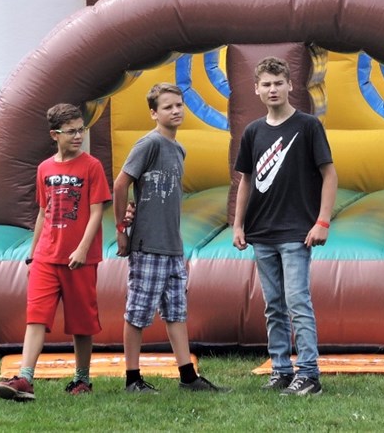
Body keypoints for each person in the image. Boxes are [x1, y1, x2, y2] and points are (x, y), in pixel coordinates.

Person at [232, 57, 338, 396]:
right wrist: (238, 225)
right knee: (273, 306)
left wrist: (322, 221)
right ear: (256, 89)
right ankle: (280, 369)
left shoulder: (308, 126)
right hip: (262, 233)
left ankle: (308, 373)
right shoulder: (253, 131)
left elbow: (329, 175)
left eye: (278, 83)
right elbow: (246, 180)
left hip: (296, 233)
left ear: (290, 85)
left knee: (297, 303)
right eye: (266, 84)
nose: (273, 89)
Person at [113, 83, 224, 394]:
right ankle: (132, 379)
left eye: (179, 105)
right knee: (138, 312)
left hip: (173, 246)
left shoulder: (178, 149)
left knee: (176, 312)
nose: (175, 111)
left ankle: (188, 376)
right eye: (167, 107)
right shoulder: (148, 144)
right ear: (153, 113)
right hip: (148, 245)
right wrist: (121, 230)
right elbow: (121, 184)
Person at [0, 103, 109, 401]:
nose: (78, 136)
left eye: (81, 130)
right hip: (46, 256)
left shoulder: (92, 167)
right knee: (36, 317)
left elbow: (96, 211)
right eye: (71, 131)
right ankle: (25, 379)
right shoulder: (44, 168)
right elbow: (43, 213)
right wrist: (33, 255)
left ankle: (82, 379)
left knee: (82, 322)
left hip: (79, 260)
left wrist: (82, 249)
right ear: (54, 135)